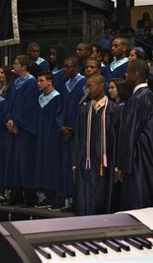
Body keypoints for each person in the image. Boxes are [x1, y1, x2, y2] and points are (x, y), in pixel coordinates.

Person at [115, 59, 153, 210]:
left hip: (137, 159)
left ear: (135, 74)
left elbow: (128, 134)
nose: (126, 75)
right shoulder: (152, 96)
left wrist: (121, 165)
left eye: (128, 72)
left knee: (136, 202)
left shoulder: (137, 99)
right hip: (152, 157)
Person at [73, 74, 119, 216]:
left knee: (103, 196)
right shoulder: (84, 110)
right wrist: (75, 162)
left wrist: (117, 164)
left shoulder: (113, 109)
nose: (88, 90)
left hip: (106, 163)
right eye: (87, 86)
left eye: (91, 86)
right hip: (87, 162)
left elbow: (117, 139)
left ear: (101, 87)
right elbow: (78, 137)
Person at [4, 55, 39, 205]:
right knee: (13, 162)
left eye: (16, 64)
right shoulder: (14, 83)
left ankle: (29, 196)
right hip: (13, 129)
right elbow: (8, 103)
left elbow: (29, 107)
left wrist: (17, 122)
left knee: (25, 162)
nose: (14, 65)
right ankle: (15, 194)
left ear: (24, 67)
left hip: (24, 130)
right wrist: (8, 120)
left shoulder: (31, 83)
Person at [33, 72, 64, 208]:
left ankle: (56, 197)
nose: (38, 83)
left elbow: (58, 119)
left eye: (41, 80)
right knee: (43, 165)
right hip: (40, 137)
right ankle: (46, 195)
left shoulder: (57, 98)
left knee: (52, 166)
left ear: (50, 81)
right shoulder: (40, 98)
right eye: (38, 81)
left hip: (52, 138)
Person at [60, 57, 87, 206]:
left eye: (69, 66)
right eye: (64, 67)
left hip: (78, 132)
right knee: (67, 164)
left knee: (77, 164)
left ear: (77, 67)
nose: (66, 69)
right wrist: (61, 126)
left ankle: (77, 200)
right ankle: (68, 200)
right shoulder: (65, 85)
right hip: (66, 132)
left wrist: (75, 128)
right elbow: (61, 108)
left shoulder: (83, 83)